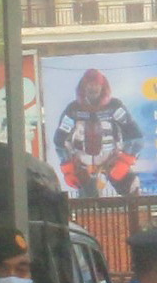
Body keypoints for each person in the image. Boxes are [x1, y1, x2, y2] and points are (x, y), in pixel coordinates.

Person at [55, 66, 145, 196]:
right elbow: (59, 141)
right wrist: (68, 170)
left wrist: (124, 162)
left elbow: (136, 137)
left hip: (112, 162)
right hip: (83, 167)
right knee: (88, 209)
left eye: (96, 85)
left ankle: (140, 215)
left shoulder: (114, 107)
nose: (93, 88)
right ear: (83, 87)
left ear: (103, 87)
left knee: (134, 191)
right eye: (89, 85)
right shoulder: (73, 110)